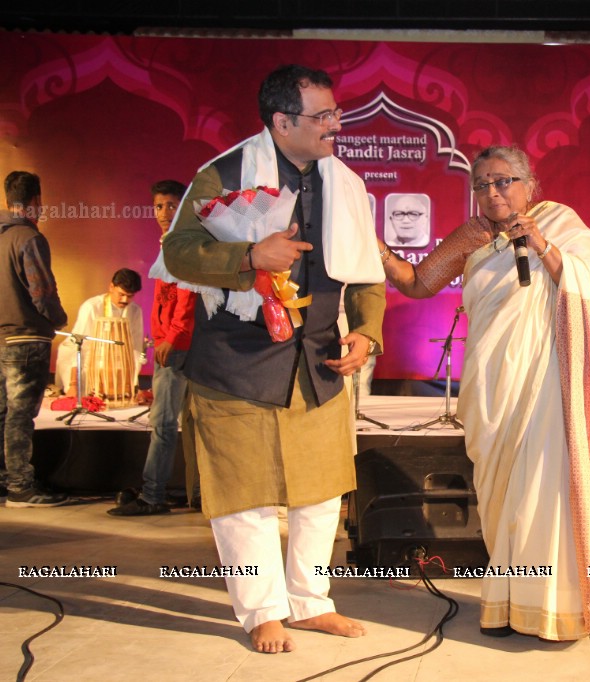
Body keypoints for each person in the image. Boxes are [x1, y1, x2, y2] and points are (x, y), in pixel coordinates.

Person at [377, 145, 590, 640]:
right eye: (481, 184)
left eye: (503, 181)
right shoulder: (471, 235)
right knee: (502, 494)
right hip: (492, 382)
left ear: (529, 185)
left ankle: (559, 604)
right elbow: (417, 283)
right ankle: (507, 600)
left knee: (544, 487)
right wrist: (379, 253)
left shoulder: (558, 222)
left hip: (546, 383)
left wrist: (542, 246)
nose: (492, 192)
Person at [162, 64, 385, 653]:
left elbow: (365, 271)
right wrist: (249, 255)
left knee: (320, 492)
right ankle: (261, 611)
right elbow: (178, 252)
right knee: (245, 497)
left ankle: (311, 604)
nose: (336, 125)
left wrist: (366, 331)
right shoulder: (225, 174)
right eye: (323, 116)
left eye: (336, 113)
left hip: (318, 363)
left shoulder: (348, 183)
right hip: (237, 363)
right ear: (281, 122)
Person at [109, 180, 200, 516]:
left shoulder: (184, 241)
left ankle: (153, 495)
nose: (164, 212)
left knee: (163, 423)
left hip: (176, 345)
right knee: (190, 423)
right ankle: (195, 494)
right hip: (174, 342)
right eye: (159, 206)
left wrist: (171, 337)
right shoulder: (172, 242)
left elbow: (188, 294)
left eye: (172, 205)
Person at [1, 171, 69, 507]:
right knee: (20, 415)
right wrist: (59, 318)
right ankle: (20, 487)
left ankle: (4, 482)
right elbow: (41, 292)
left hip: (1, 337)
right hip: (26, 338)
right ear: (36, 201)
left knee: (3, 413)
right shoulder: (28, 238)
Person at [55, 268, 145, 396]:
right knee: (83, 389)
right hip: (84, 355)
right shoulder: (92, 306)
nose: (125, 300)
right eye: (121, 294)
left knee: (121, 392)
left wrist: (133, 383)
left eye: (130, 296)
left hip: (115, 358)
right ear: (111, 287)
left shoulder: (135, 311)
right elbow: (78, 345)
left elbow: (134, 348)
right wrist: (73, 384)